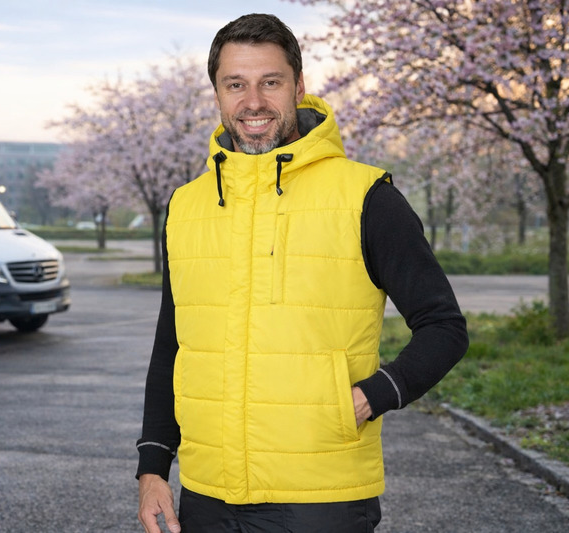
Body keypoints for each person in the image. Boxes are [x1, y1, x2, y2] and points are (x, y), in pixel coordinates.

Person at [136, 13, 468, 533]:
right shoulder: (185, 206)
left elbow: (444, 326)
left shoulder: (366, 197)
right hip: (206, 495)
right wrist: (153, 466)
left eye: (270, 82)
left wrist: (374, 395)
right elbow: (171, 346)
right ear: (217, 93)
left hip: (322, 497)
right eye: (235, 85)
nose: (253, 102)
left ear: (298, 86)